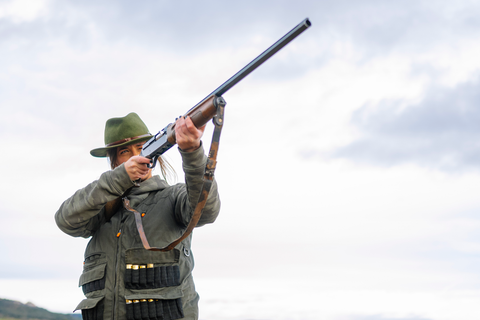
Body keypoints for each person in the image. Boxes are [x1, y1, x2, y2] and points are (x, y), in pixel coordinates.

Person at [55, 112, 220, 320]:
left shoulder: (174, 197)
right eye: (125, 151)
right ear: (115, 161)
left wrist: (192, 152)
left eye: (142, 148)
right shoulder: (100, 208)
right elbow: (65, 219)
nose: (136, 155)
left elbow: (206, 211)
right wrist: (119, 179)